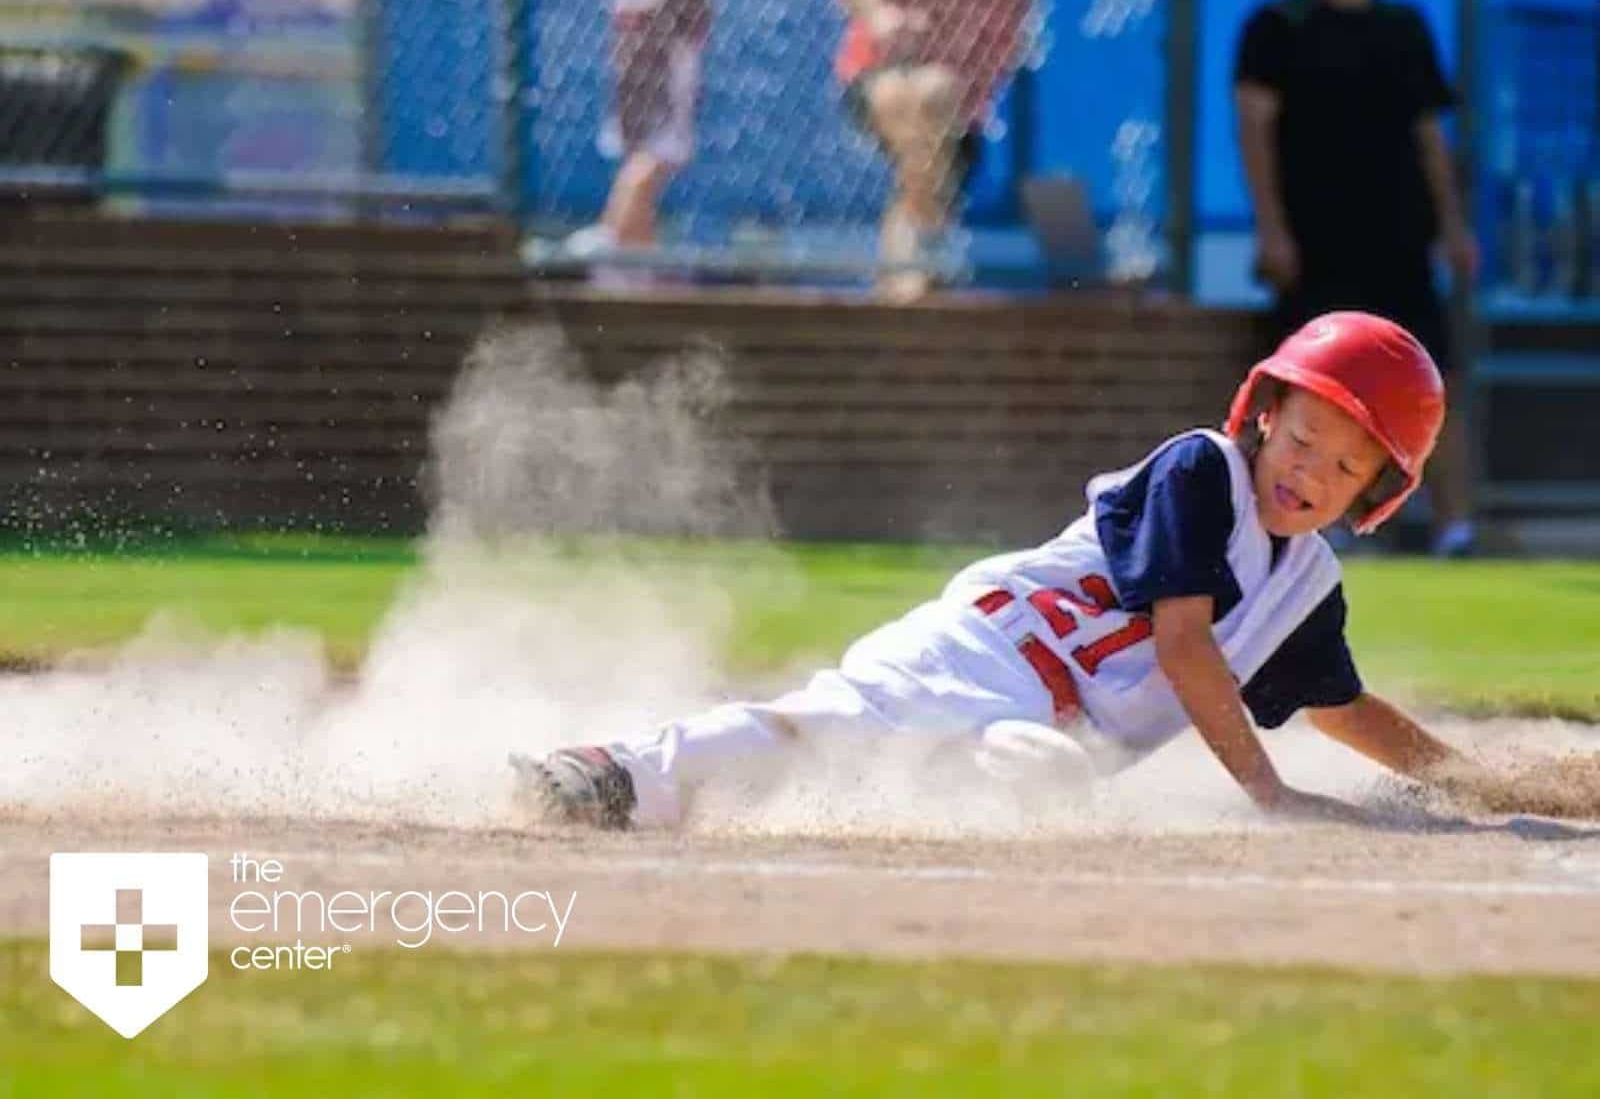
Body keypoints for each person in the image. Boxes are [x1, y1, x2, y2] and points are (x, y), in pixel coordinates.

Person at [515, 313, 1540, 832]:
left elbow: (1339, 706)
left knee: (1039, 789)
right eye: (1303, 437)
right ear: (1263, 414)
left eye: (1346, 462)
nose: (1309, 471)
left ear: (1377, 490)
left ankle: (755, 800)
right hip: (986, 648)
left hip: (1050, 731)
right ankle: (615, 771)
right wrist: (1268, 794)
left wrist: (1483, 785)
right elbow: (1185, 649)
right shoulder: (1201, 470)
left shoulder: (1302, 585)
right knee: (849, 725)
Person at [1234, 0, 1481, 556]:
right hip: (1317, 242)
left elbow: (1431, 136)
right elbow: (1253, 127)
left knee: (1437, 377)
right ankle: (1295, 525)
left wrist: (1453, 226)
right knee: (1309, 393)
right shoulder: (1278, 25)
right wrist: (1271, 229)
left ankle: (1455, 526)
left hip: (1399, 238)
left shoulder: (1404, 27)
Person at [820, 0, 1145, 303]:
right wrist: (879, 14)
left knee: (1037, 152)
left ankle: (1078, 274)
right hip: (890, 72)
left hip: (977, 99)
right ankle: (916, 266)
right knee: (931, 99)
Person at [566, 0, 785, 276]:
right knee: (661, 151)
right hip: (668, 34)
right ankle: (609, 242)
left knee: (642, 149)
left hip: (631, 32)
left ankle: (634, 268)